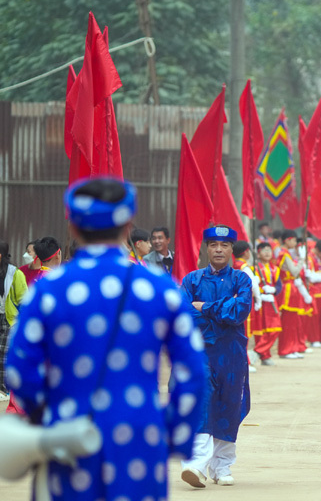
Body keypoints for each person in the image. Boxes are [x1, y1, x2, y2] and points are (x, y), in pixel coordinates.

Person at [5, 177, 207, 499]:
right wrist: (172, 436)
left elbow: (18, 370)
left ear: (72, 228)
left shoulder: (47, 291)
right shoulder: (160, 289)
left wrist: (50, 419)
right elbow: (193, 372)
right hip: (140, 440)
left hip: (66, 439)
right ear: (128, 225)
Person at [180, 225, 253, 487]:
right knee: (202, 402)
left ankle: (222, 467)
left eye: (224, 245)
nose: (219, 249)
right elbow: (184, 314)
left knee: (230, 405)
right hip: (199, 352)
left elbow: (239, 312)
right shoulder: (192, 280)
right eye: (213, 245)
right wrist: (222, 311)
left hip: (232, 352)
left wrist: (206, 307)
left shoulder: (241, 279)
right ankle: (195, 465)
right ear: (206, 248)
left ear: (232, 249)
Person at [275, 230, 312, 359]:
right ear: (288, 240)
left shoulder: (286, 254)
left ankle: (292, 347)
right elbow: (295, 271)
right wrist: (302, 259)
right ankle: (285, 349)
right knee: (288, 322)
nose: (295, 243)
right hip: (288, 289)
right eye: (294, 240)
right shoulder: (284, 254)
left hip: (292, 288)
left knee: (293, 321)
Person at [0, 239, 28, 401]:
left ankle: (4, 389)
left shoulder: (15, 273)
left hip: (8, 319)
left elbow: (24, 299)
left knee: (4, 354)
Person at [252, 242, 282, 365]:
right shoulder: (254, 268)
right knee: (261, 329)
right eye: (264, 250)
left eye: (269, 250)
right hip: (260, 301)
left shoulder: (275, 268)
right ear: (258, 254)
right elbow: (252, 286)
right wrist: (261, 294)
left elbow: (279, 286)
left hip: (271, 301)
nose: (267, 252)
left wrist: (274, 290)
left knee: (275, 328)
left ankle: (257, 352)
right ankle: (265, 356)